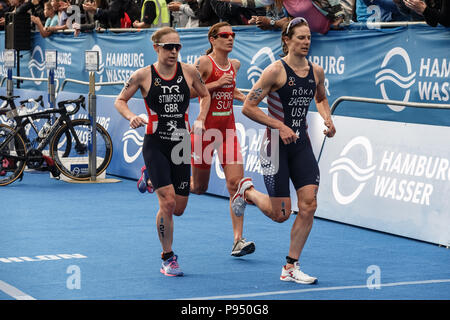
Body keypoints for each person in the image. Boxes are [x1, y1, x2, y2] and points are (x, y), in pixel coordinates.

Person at [139, 22, 256, 258]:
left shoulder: (235, 65)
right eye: (225, 35)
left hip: (228, 131)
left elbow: (229, 89)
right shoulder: (203, 64)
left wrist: (243, 97)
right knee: (199, 188)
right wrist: (215, 85)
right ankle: (153, 178)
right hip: (204, 133)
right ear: (212, 39)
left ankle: (238, 240)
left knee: (236, 184)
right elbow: (188, 91)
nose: (230, 38)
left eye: (233, 35)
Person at [234, 17, 336, 284]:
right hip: (275, 148)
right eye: (300, 38)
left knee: (309, 205)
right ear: (287, 40)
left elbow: (321, 98)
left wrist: (327, 118)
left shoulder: (317, 71)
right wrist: (280, 125)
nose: (306, 42)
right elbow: (248, 107)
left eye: (309, 38)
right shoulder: (274, 72)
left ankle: (290, 266)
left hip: (301, 145)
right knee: (281, 214)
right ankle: (248, 192)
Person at [115, 27, 211, 277]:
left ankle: (149, 175)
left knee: (179, 208)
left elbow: (205, 94)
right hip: (155, 143)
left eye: (177, 47)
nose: (173, 51)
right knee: (167, 203)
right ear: (156, 47)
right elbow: (119, 100)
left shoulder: (189, 71)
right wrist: (131, 116)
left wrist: (200, 117)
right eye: (169, 47)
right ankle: (168, 257)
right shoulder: (143, 75)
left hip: (180, 142)